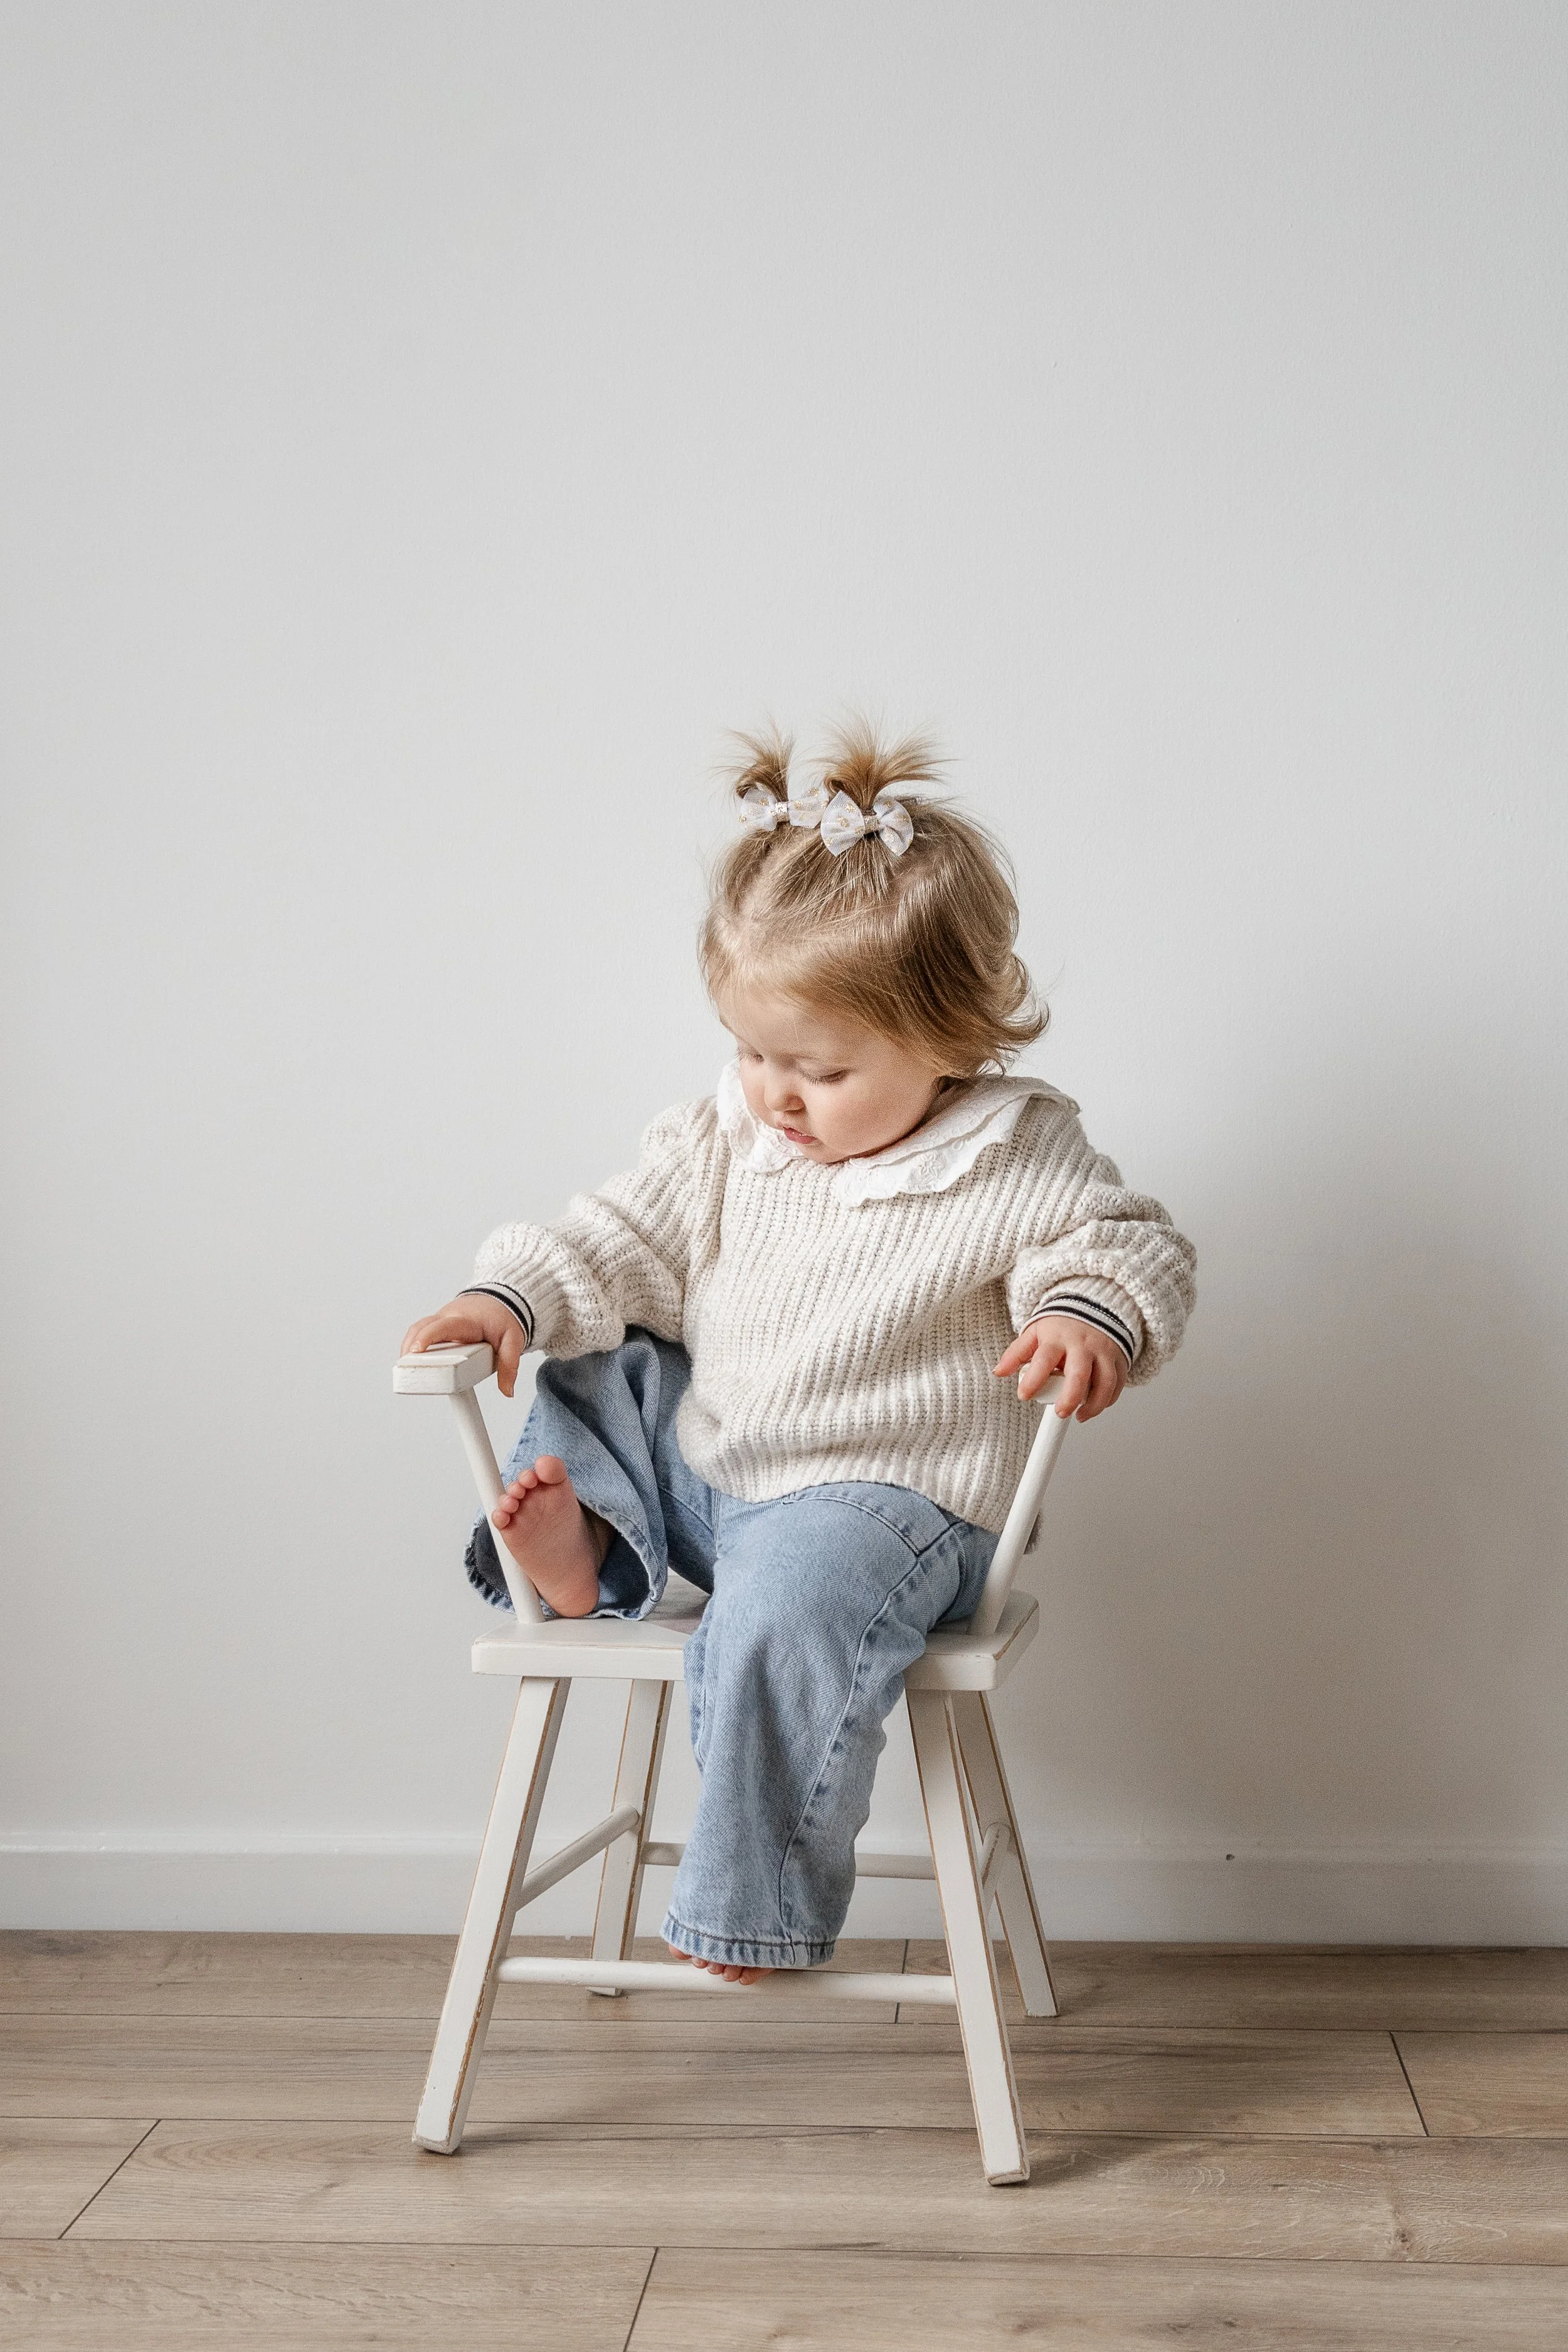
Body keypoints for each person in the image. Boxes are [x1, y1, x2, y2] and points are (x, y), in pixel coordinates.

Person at [402, 722, 1195, 1983]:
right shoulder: (733, 1134)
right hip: (716, 1482)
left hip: (887, 1507)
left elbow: (1127, 1244)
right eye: (751, 1050)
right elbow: (621, 1236)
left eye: (817, 1067)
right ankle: (595, 1553)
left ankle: (750, 1903)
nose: (774, 1091)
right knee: (600, 1359)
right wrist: (511, 1292)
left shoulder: (1012, 1150)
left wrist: (1082, 1312)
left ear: (950, 1038)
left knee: (784, 1612)